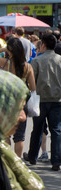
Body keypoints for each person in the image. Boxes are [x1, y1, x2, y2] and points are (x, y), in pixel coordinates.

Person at [0, 37, 36, 158]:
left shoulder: (6, 63)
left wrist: (4, 48)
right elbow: (33, 87)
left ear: (10, 49)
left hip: (6, 104)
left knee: (6, 135)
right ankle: (18, 162)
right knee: (19, 137)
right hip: (21, 105)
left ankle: (8, 161)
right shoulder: (28, 67)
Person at [24, 34, 61, 171]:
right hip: (57, 99)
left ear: (43, 45)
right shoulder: (60, 59)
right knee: (56, 130)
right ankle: (56, 160)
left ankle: (33, 156)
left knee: (38, 129)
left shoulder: (37, 61)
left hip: (40, 99)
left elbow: (31, 81)